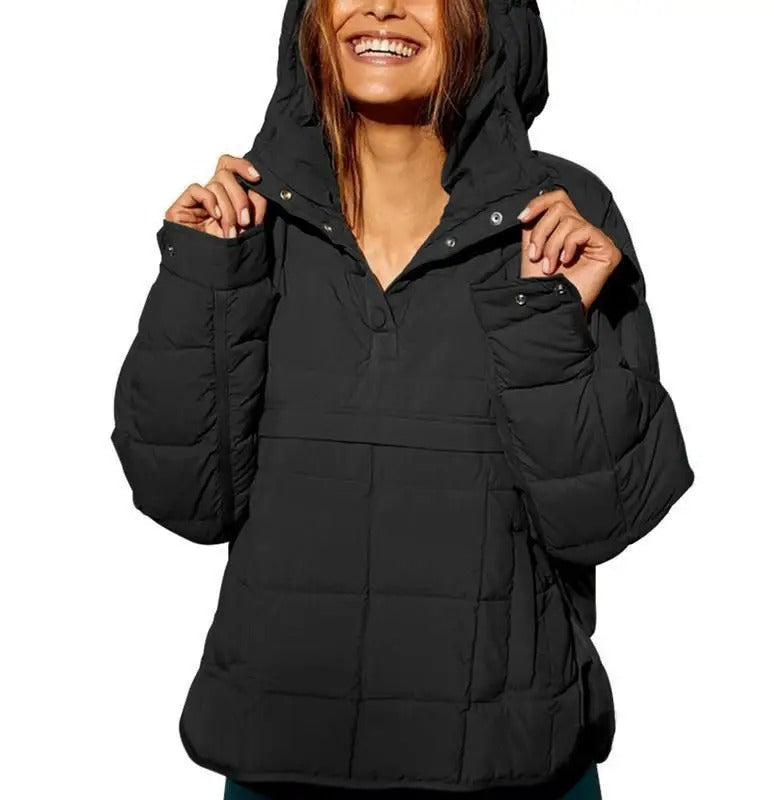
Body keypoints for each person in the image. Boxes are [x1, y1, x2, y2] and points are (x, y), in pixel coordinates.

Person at [110, 0, 694, 798]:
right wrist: (207, 280)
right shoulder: (248, 218)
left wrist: (545, 320)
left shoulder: (560, 216)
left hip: (517, 767)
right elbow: (185, 501)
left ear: (490, 18)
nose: (382, 4)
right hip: (283, 760)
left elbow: (605, 517)